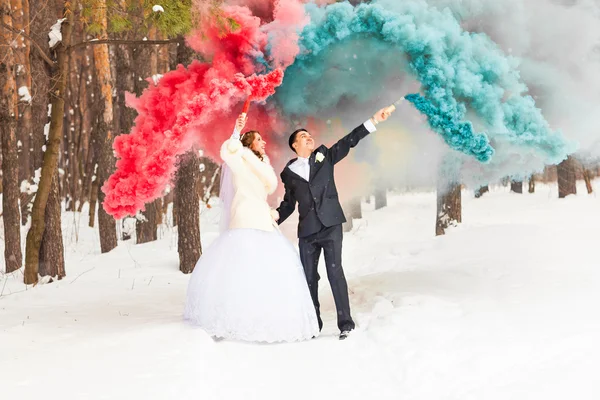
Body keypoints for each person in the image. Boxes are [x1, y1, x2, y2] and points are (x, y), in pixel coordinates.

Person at [184, 115, 319, 343]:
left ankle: (269, 315)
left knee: (267, 269)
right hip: (245, 215)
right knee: (242, 267)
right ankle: (235, 318)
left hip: (263, 217)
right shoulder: (241, 160)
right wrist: (236, 133)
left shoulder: (262, 163)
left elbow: (270, 184)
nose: (263, 142)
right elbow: (228, 151)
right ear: (248, 144)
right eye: (258, 139)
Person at [274, 105, 395, 340]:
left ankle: (345, 324)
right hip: (307, 231)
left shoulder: (325, 156)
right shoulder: (288, 173)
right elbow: (289, 203)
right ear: (294, 146)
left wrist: (373, 121)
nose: (308, 137)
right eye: (302, 137)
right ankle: (313, 325)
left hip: (331, 225)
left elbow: (349, 141)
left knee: (334, 272)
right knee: (309, 278)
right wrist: (275, 216)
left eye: (308, 135)